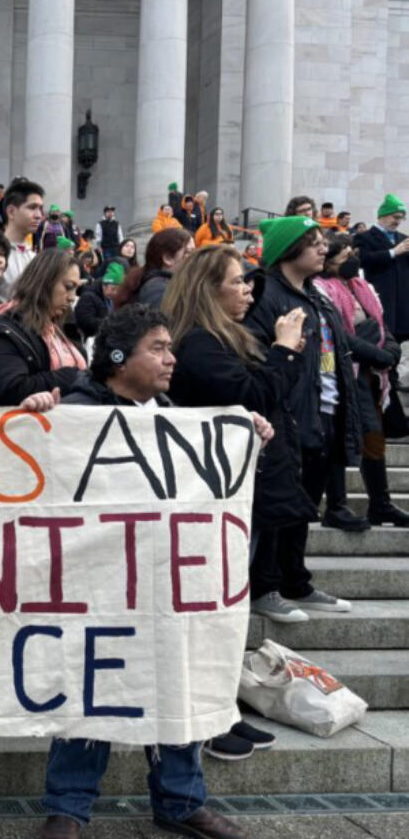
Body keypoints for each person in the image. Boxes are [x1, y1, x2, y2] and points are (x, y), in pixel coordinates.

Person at [37, 303, 252, 839]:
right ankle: (67, 807)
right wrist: (33, 417)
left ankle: (181, 801)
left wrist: (243, 440)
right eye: (157, 347)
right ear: (116, 358)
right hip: (96, 591)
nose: (170, 358)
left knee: (174, 683)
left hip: (161, 587)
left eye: (169, 347)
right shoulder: (74, 413)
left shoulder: (177, 418)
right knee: (91, 690)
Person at [163, 245, 318, 637]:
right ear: (208, 289)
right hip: (225, 483)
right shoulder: (199, 342)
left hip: (251, 476)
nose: (249, 291)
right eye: (237, 282)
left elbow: (269, 391)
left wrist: (287, 357)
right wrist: (282, 350)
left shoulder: (227, 336)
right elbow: (252, 396)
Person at [245, 214, 365, 594]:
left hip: (325, 412)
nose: (322, 246)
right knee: (280, 509)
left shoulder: (318, 295)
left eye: (321, 240)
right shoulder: (265, 294)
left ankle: (296, 581)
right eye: (311, 240)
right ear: (287, 249)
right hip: (289, 415)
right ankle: (266, 586)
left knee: (305, 507)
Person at [316, 234, 409, 527]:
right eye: (344, 257)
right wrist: (376, 355)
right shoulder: (320, 289)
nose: (352, 260)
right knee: (340, 438)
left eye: (352, 253)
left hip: (372, 376)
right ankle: (336, 506)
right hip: (342, 372)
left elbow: (380, 324)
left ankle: (380, 504)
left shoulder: (362, 287)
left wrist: (391, 351)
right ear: (328, 263)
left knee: (374, 438)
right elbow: (336, 334)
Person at [0, 248, 86, 405]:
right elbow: (11, 389)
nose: (72, 298)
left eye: (76, 289)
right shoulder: (6, 330)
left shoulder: (65, 325)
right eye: (68, 286)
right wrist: (72, 376)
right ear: (44, 282)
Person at [354, 194, 409, 341]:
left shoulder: (403, 238)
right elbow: (363, 260)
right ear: (383, 215)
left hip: (402, 301)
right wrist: (392, 253)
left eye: (401, 218)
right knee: (383, 338)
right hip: (382, 296)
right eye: (395, 217)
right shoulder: (365, 237)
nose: (397, 221)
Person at [116, 227, 193, 309]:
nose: (194, 258)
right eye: (188, 252)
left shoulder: (164, 285)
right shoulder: (159, 291)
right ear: (168, 258)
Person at [0, 177, 45, 286]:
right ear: (11, 212)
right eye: (32, 207)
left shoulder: (35, 258)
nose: (39, 215)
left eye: (40, 209)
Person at [75, 260, 126, 339]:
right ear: (104, 285)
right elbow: (86, 323)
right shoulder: (88, 297)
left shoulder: (113, 299)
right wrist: (112, 323)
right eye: (113, 289)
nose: (115, 293)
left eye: (118, 290)